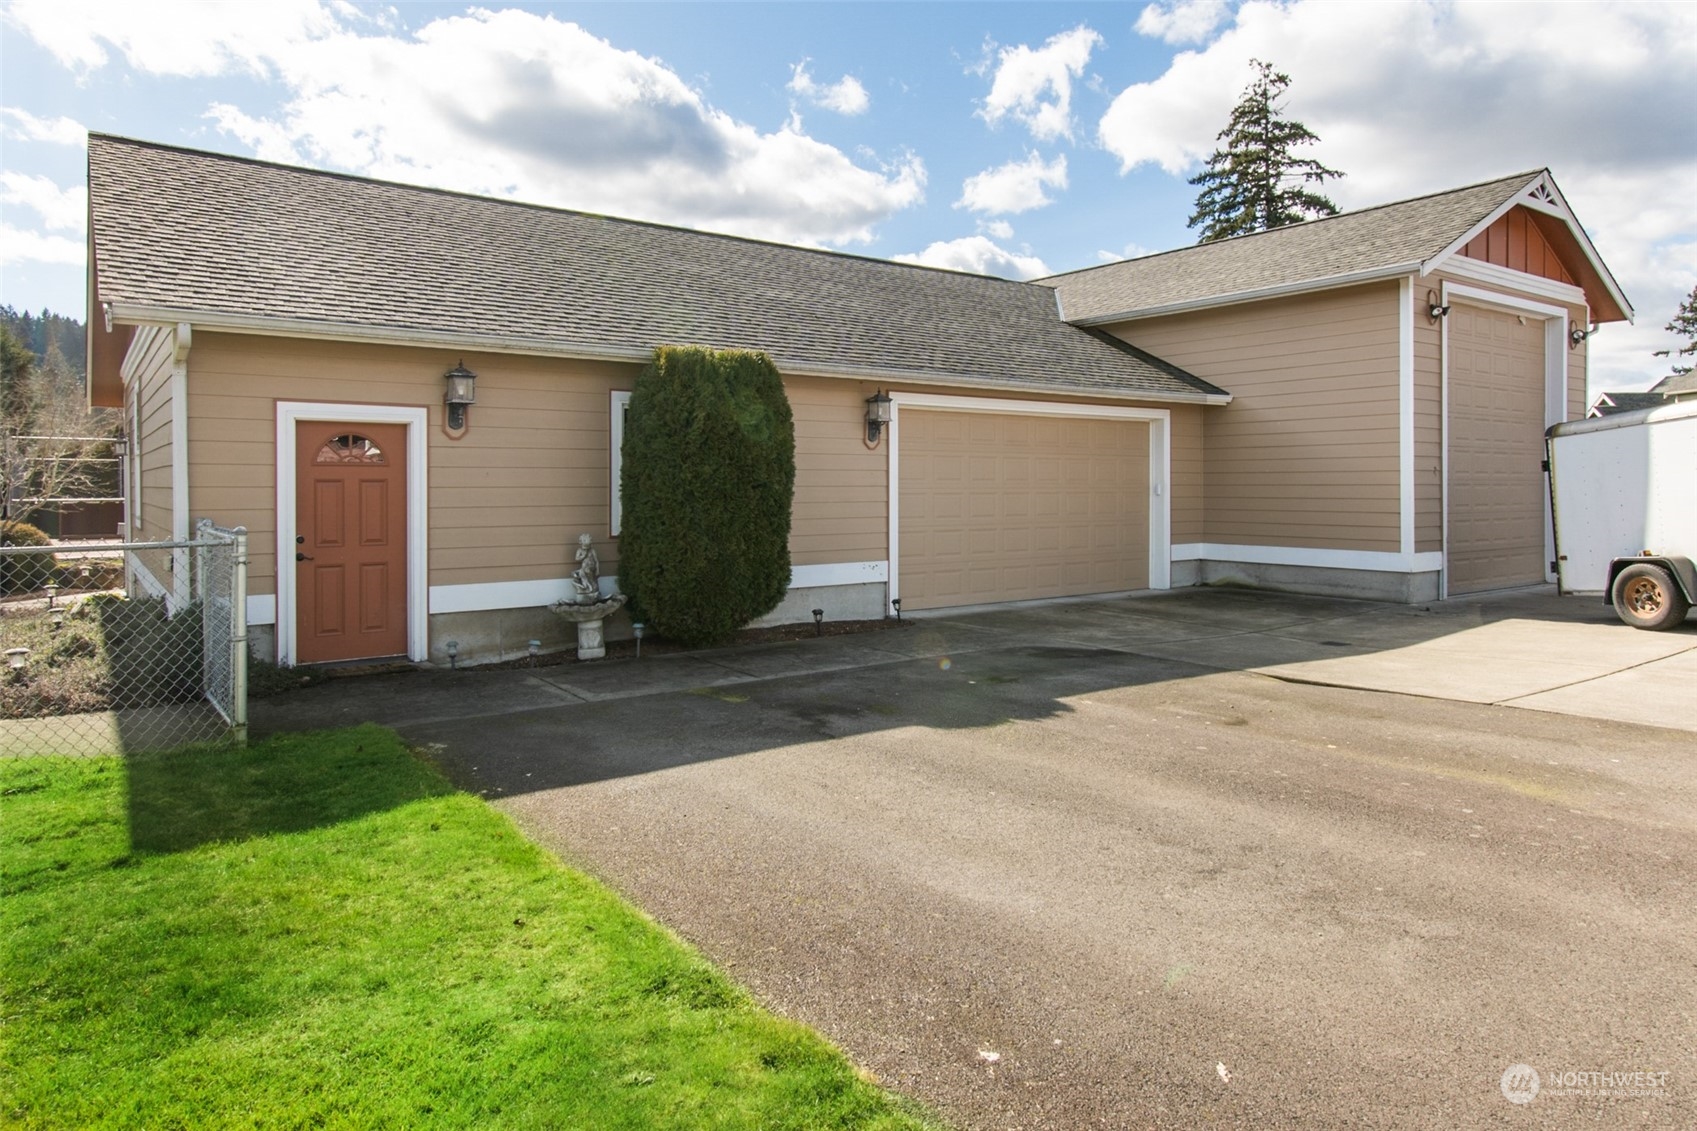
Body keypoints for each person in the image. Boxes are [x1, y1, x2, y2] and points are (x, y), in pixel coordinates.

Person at [569, 533, 601, 603]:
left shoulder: (592, 550)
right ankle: (588, 590)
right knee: (587, 578)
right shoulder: (580, 550)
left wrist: (598, 570)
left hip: (593, 569)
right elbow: (577, 559)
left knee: (593, 580)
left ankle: (594, 592)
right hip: (585, 568)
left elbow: (596, 560)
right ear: (581, 542)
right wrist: (583, 556)